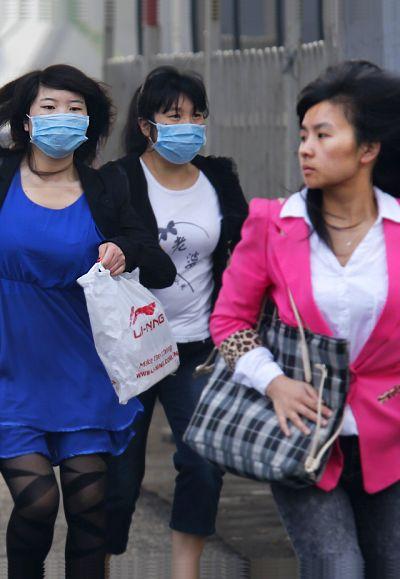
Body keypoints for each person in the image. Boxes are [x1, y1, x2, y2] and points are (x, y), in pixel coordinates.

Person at [210, 60, 400, 579]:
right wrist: (273, 383)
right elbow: (229, 322)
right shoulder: (275, 223)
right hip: (302, 436)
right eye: (302, 136)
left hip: (391, 437)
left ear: (368, 150)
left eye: (322, 134)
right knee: (338, 568)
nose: (305, 148)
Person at [0, 63, 176, 579]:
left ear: (90, 123)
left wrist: (122, 248)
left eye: (75, 109)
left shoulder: (107, 187)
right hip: (12, 368)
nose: (62, 117)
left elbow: (158, 261)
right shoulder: (2, 174)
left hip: (83, 368)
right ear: (26, 121)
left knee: (88, 504)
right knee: (35, 501)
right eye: (48, 107)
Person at [102, 66, 248, 579]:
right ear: (147, 125)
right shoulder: (117, 180)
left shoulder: (219, 178)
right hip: (134, 351)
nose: (188, 125)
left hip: (196, 347)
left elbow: (243, 251)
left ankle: (185, 573)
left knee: (204, 463)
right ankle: (99, 561)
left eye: (196, 115)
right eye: (174, 116)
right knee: (118, 475)